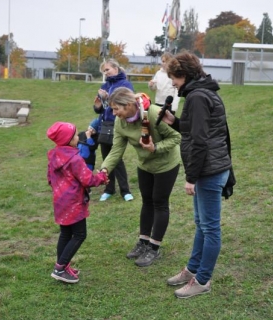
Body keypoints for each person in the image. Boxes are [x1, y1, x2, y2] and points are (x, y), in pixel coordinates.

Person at [162, 52, 232, 299]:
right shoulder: (202, 93)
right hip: (212, 167)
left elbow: (201, 141)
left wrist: (191, 177)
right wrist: (174, 121)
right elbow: (197, 130)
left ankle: (202, 280)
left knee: (210, 228)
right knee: (202, 225)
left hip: (208, 171)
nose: (172, 83)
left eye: (174, 78)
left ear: (183, 75)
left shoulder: (198, 97)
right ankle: (192, 269)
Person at [99, 88, 181, 267]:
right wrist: (105, 169)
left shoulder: (153, 113)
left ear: (128, 105)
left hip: (166, 165)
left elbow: (177, 136)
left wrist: (156, 148)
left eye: (116, 109)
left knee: (160, 203)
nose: (113, 113)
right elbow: (117, 149)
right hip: (144, 165)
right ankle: (143, 242)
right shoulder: (120, 122)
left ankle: (154, 248)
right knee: (147, 202)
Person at [47, 121, 108, 284]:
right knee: (80, 234)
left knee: (66, 233)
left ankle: (63, 265)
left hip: (60, 201)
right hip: (74, 202)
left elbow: (49, 178)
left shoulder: (54, 155)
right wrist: (102, 177)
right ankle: (59, 268)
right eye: (74, 135)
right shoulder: (75, 159)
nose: (77, 136)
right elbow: (88, 179)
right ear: (67, 139)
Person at [93, 59, 134, 202]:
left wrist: (108, 97)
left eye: (107, 70)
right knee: (106, 158)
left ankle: (125, 190)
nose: (106, 73)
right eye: (104, 71)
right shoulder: (104, 85)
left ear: (116, 68)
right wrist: (98, 105)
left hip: (119, 124)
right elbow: (100, 109)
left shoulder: (125, 84)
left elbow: (128, 103)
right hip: (105, 125)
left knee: (117, 158)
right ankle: (109, 188)